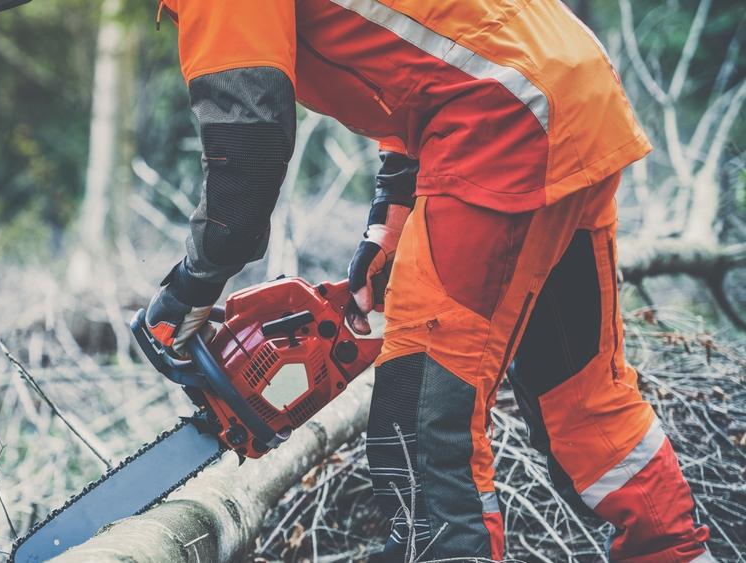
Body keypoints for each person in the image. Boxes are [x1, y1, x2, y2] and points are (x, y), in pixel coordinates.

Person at [138, 2, 714, 561]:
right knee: (580, 398)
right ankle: (675, 553)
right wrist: (391, 215)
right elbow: (426, 45)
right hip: (565, 87)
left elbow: (250, 149)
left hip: (501, 118)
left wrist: (192, 284)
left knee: (419, 424)